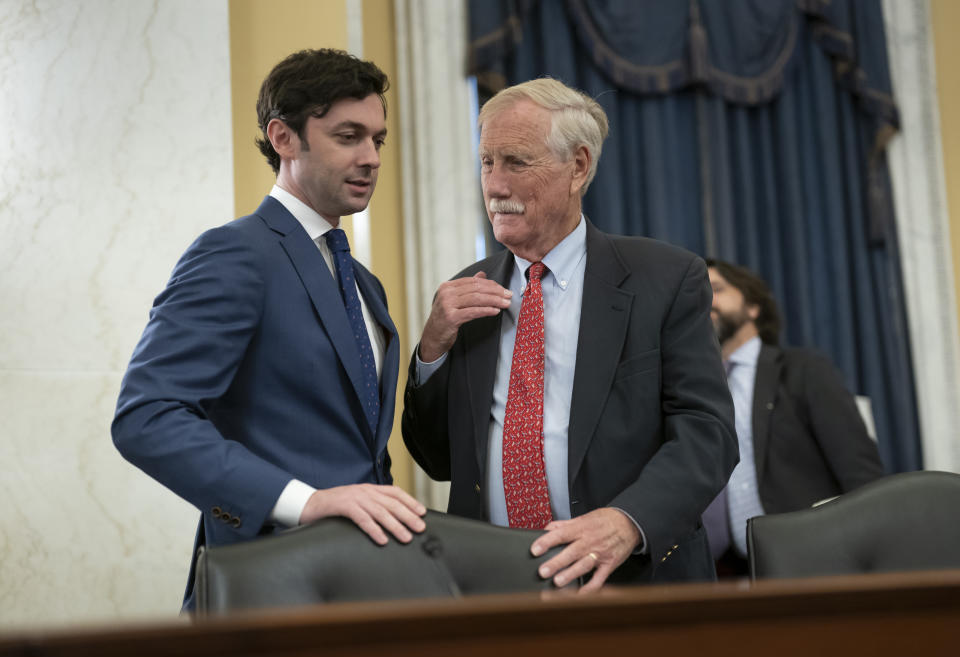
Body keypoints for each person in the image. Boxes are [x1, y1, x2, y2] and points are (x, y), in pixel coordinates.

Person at [112, 49, 426, 609]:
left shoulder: (363, 283)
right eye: (348, 135)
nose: (371, 156)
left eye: (377, 139)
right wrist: (304, 502)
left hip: (368, 586)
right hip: (270, 585)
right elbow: (146, 416)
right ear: (283, 138)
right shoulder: (234, 253)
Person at [401, 78, 738, 591]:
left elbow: (707, 433)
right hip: (493, 587)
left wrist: (630, 520)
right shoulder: (469, 292)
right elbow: (437, 459)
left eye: (516, 162)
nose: (494, 185)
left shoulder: (664, 278)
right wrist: (432, 349)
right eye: (487, 162)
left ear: (577, 166)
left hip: (633, 580)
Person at [702, 259, 885, 576]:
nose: (706, 302)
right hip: (729, 574)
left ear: (753, 307)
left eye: (716, 290)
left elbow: (860, 471)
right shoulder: (695, 389)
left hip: (817, 564)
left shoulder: (802, 370)